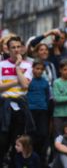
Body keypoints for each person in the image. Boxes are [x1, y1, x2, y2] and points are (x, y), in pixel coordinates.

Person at [0, 36, 34, 167]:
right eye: (13, 47)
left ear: (22, 48)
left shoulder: (27, 65)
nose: (16, 50)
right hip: (4, 107)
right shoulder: (1, 65)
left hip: (20, 108)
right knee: (2, 142)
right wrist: (16, 80)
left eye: (18, 47)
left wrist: (18, 67)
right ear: (8, 50)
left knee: (18, 142)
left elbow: (25, 85)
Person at [26, 59, 50, 166]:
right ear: (33, 69)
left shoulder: (45, 82)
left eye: (41, 69)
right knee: (31, 134)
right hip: (31, 110)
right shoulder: (28, 81)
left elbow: (48, 96)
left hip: (42, 110)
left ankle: (41, 159)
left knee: (43, 134)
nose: (39, 71)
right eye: (37, 68)